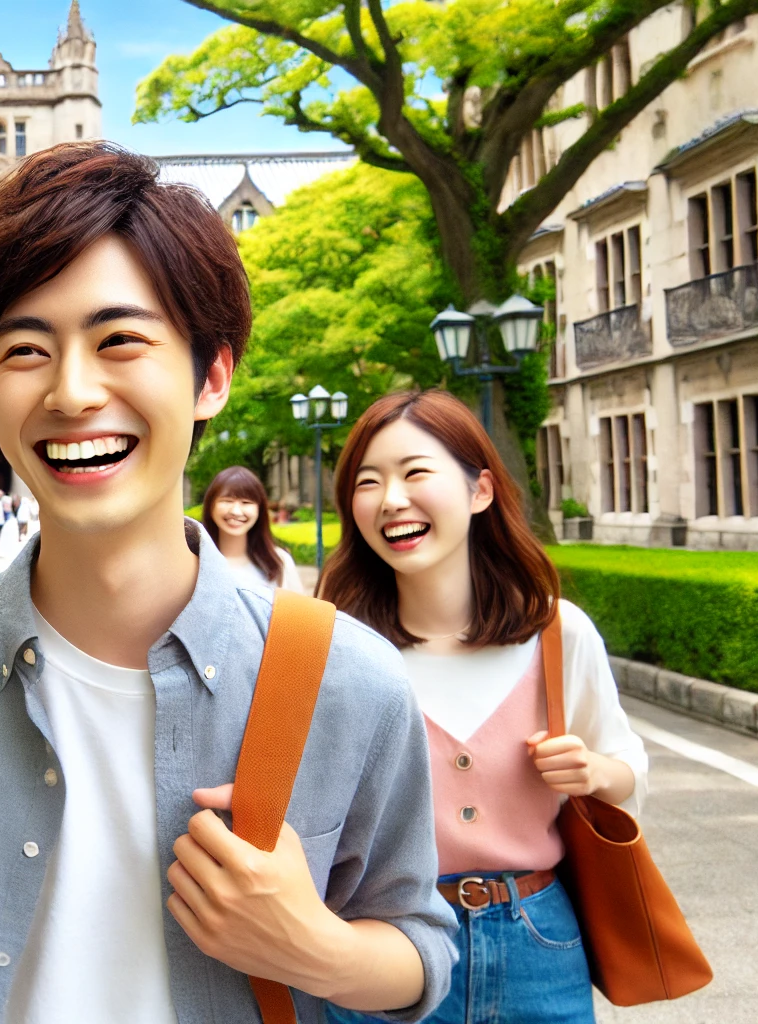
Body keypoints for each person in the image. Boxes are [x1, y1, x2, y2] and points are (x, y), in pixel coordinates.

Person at [0, 141, 454, 1024]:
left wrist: (315, 948)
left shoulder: (348, 678)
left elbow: (420, 945)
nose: (72, 392)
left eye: (121, 340)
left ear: (211, 375)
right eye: (26, 349)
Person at [319, 390, 646, 1024]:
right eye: (368, 481)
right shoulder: (333, 648)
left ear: (480, 491)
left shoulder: (557, 633)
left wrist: (596, 773)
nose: (391, 500)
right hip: (383, 946)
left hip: (538, 942)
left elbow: (624, 758)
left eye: (415, 472)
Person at [201, 466, 305, 595]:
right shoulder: (194, 562)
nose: (236, 511)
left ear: (260, 510)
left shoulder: (279, 561)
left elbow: (299, 613)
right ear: (210, 506)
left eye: (246, 502)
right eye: (227, 501)